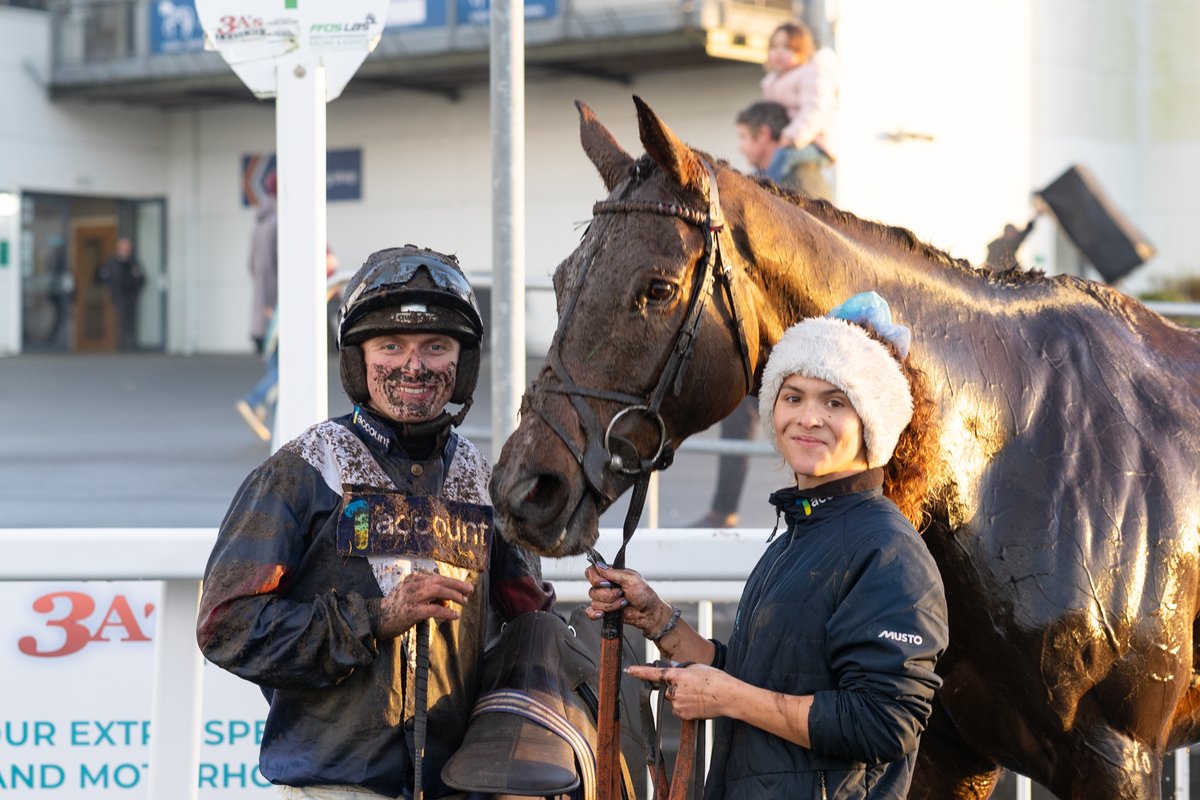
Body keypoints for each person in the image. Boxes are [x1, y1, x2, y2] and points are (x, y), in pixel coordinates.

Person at [198, 245, 554, 799]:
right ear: (358, 360)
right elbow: (226, 626)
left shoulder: (482, 483)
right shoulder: (303, 471)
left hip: (457, 787)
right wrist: (374, 619)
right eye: (391, 345)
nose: (414, 366)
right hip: (335, 788)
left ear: (461, 365)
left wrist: (598, 609)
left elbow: (530, 616)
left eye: (436, 347)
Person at [587, 292, 949, 798]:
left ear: (873, 424)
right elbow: (767, 678)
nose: (808, 417)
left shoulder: (889, 551)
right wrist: (660, 621)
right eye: (793, 396)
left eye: (835, 401)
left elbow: (882, 723)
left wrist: (729, 698)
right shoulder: (796, 536)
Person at [236, 245, 340, 442]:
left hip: (276, 331)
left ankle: (277, 425)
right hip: (288, 332)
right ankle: (254, 401)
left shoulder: (293, 276)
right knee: (283, 375)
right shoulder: (311, 274)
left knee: (281, 382)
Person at [760, 20, 838, 200]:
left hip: (817, 143)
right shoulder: (772, 82)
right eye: (774, 46)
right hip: (789, 139)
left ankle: (766, 195)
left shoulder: (812, 74)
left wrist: (792, 136)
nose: (779, 52)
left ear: (802, 52)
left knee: (783, 157)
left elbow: (815, 111)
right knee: (768, 160)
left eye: (787, 48)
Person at [735, 100, 829, 200]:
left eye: (743, 136)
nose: (740, 148)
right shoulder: (758, 177)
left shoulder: (802, 180)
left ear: (763, 134)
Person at [96, 237, 145, 350]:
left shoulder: (133, 261)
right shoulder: (112, 261)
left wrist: (135, 288)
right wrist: (113, 287)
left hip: (131, 296)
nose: (127, 248)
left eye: (128, 246)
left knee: (131, 319)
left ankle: (131, 343)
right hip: (119, 295)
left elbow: (141, 278)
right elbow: (104, 276)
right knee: (121, 318)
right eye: (124, 246)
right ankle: (121, 344)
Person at [249, 170, 278, 355]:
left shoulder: (260, 222)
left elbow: (251, 265)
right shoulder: (278, 221)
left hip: (261, 312)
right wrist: (271, 307)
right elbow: (275, 268)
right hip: (275, 311)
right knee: (278, 373)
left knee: (275, 372)